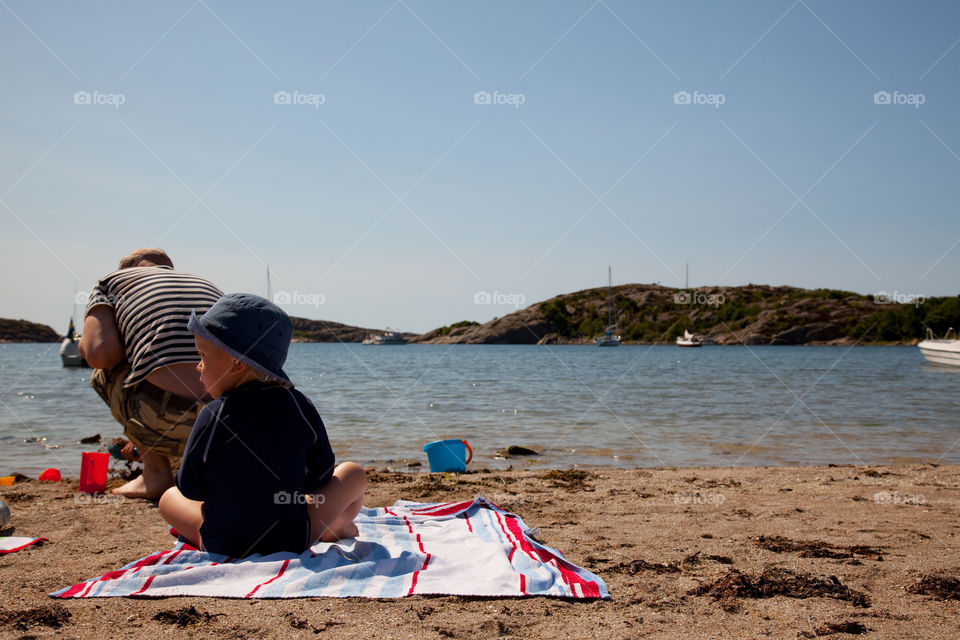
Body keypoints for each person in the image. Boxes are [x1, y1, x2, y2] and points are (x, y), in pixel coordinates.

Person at [158, 293, 366, 557]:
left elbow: (190, 487)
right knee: (353, 473)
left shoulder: (212, 414)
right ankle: (336, 525)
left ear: (236, 364)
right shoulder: (299, 406)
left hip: (223, 543)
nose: (198, 366)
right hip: (293, 538)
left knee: (168, 498)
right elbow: (320, 477)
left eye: (203, 356)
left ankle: (211, 531)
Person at [78, 248, 223, 499]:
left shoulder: (112, 282)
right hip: (228, 418)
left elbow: (98, 354)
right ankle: (211, 470)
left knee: (105, 371)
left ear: (127, 269)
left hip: (163, 413)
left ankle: (156, 474)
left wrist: (84, 343)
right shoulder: (205, 284)